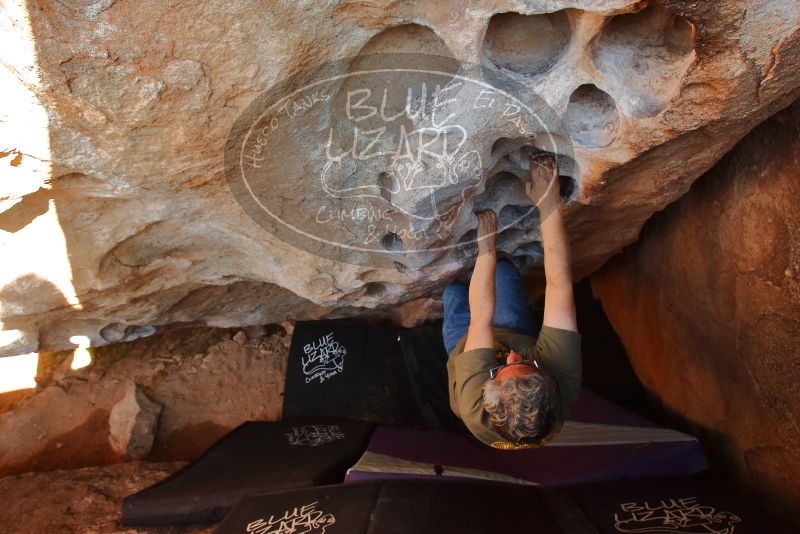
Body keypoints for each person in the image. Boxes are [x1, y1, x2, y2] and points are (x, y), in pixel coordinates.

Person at [443, 152, 581, 449]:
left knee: (452, 293)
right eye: (527, 363)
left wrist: (486, 249)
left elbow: (480, 321)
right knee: (503, 273)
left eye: (502, 369)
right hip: (514, 332)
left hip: (464, 348)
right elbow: (559, 286)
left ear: (489, 388)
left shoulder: (473, 404)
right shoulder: (562, 379)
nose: (512, 356)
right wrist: (548, 202)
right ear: (547, 379)